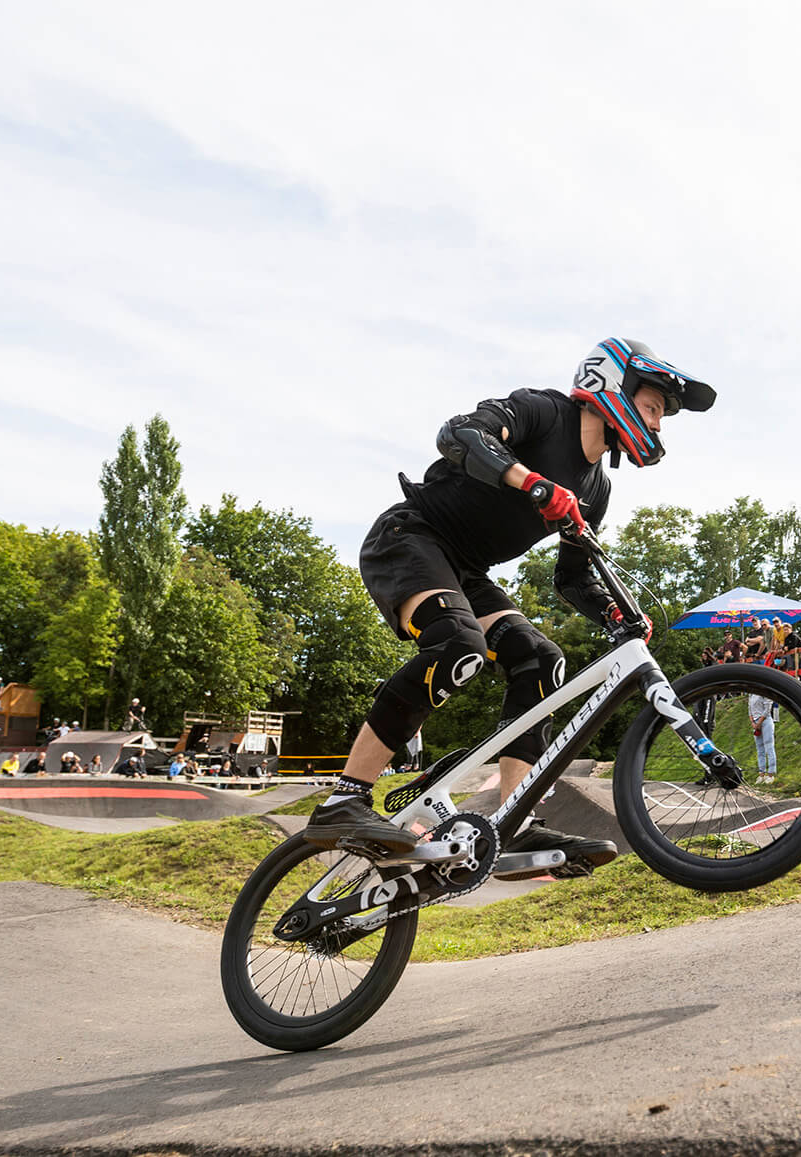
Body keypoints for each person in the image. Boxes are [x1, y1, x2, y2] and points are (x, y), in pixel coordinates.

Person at [299, 337, 714, 877]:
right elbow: (459, 434)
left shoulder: (597, 489)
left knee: (543, 660)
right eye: (654, 408)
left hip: (466, 571)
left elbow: (572, 578)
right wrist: (532, 482)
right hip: (411, 538)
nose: (658, 425)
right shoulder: (543, 412)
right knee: (458, 646)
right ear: (611, 384)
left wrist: (615, 615)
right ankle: (344, 800)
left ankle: (515, 819)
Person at [749, 690, 777, 784]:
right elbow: (750, 709)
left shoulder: (765, 692)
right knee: (760, 749)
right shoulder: (751, 693)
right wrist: (753, 722)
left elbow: (767, 708)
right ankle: (761, 774)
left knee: (769, 747)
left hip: (765, 721)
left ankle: (771, 774)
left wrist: (759, 723)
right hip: (755, 722)